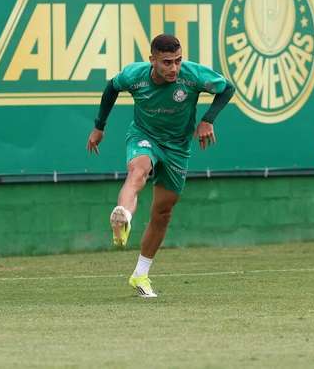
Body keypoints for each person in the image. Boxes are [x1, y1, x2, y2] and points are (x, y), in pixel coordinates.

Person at [86, 34, 235, 297]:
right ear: (152, 60)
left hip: (177, 147)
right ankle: (123, 216)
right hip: (144, 136)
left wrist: (208, 119)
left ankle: (140, 275)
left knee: (163, 212)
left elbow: (227, 88)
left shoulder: (192, 75)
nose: (174, 68)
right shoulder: (135, 76)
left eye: (178, 61)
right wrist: (99, 127)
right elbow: (111, 87)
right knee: (138, 171)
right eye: (167, 62)